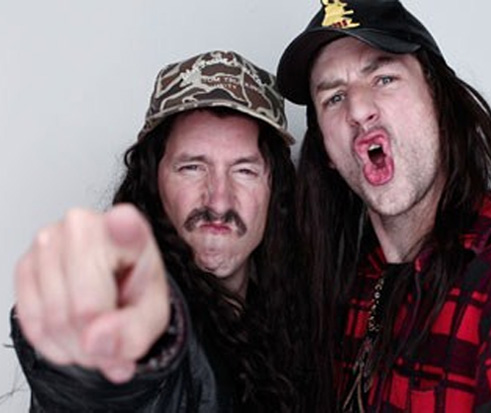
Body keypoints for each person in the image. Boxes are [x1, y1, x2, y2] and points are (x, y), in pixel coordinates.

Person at [276, 0, 491, 411]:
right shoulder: (345, 288)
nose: (359, 110)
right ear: (327, 152)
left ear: (440, 103)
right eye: (334, 97)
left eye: (384, 78)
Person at [11, 50, 310, 412]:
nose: (218, 200)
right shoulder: (141, 309)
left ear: (275, 189)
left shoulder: (293, 318)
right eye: (192, 167)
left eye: (244, 170)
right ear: (153, 181)